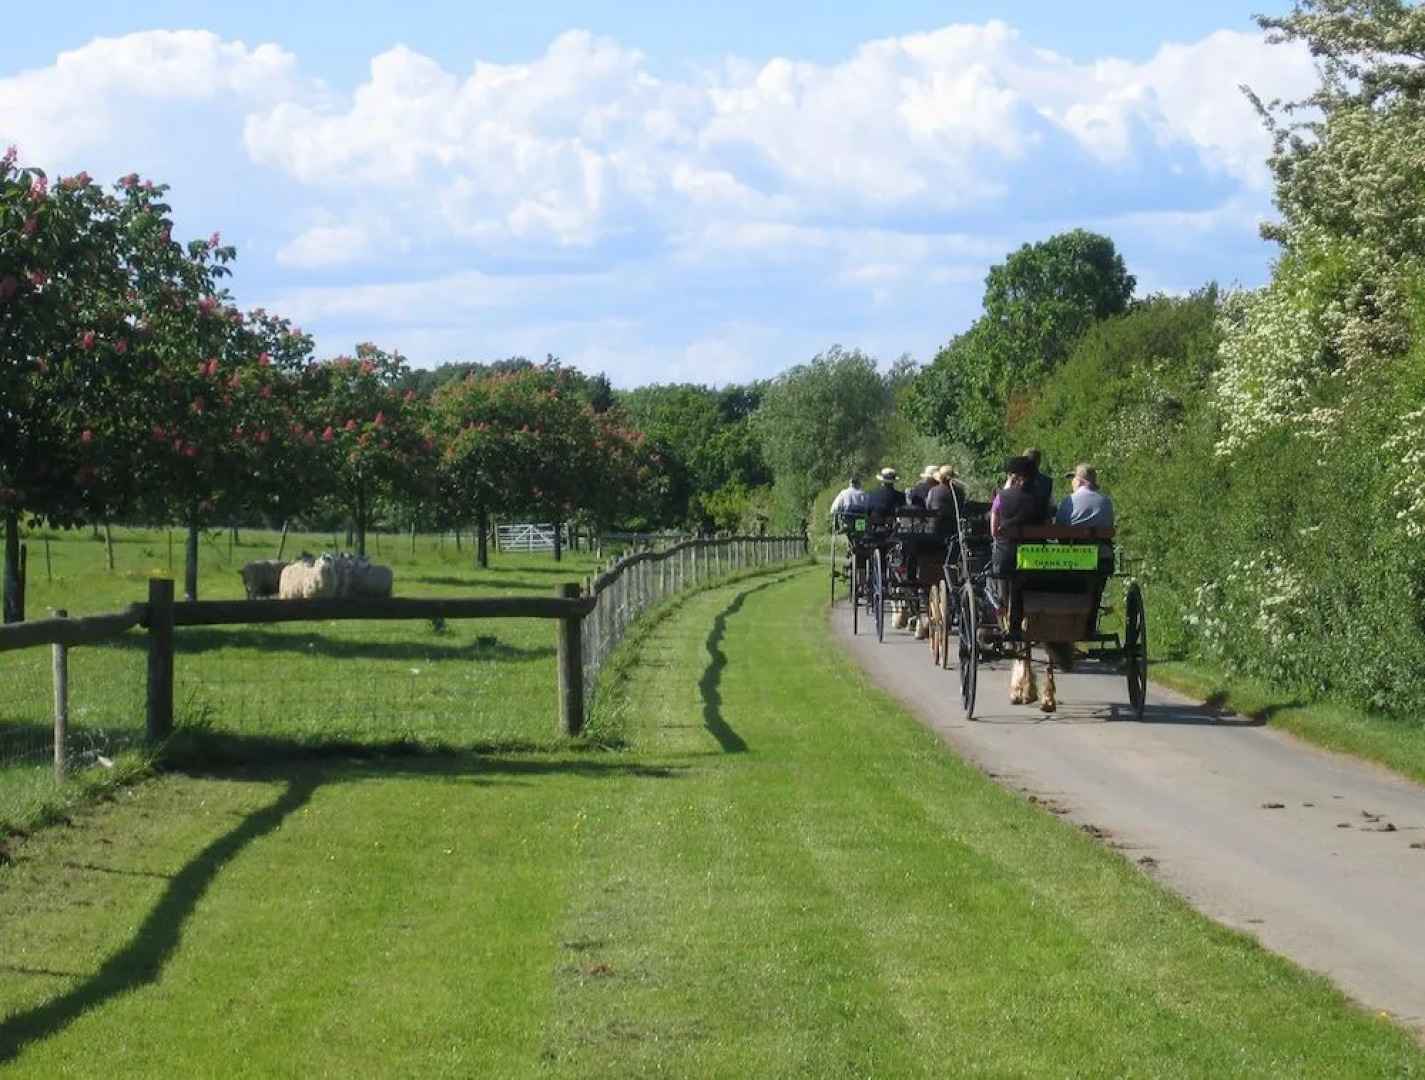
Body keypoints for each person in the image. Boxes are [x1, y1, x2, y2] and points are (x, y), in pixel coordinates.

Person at [1055, 463, 1114, 528]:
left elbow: (1058, 525)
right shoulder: (1106, 501)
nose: (1072, 482)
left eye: (1073, 479)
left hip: (1073, 537)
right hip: (1102, 538)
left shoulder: (1069, 500)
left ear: (1079, 482)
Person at [1023, 447, 1055, 523]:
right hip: (1042, 525)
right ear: (1039, 462)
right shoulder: (1047, 481)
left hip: (1021, 524)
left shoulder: (1016, 479)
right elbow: (1052, 505)